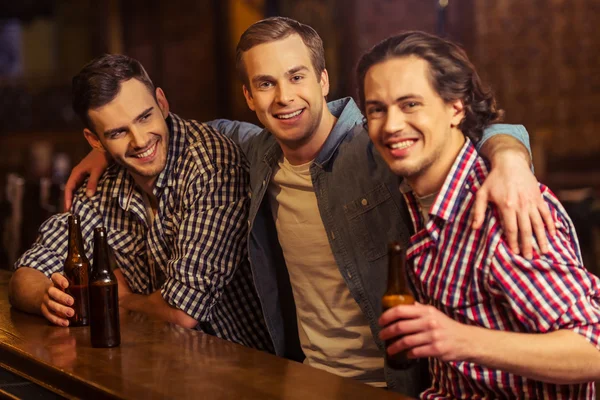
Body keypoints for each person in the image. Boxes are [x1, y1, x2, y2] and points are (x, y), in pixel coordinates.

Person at [63, 17, 553, 395]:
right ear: (249, 97)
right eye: (265, 84)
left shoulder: (377, 145)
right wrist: (105, 149)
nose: (283, 98)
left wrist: (509, 158)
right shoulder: (250, 149)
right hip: (303, 379)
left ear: (322, 80)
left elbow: (475, 129)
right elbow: (164, 135)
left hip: (395, 383)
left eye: (296, 77)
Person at [358, 31, 600, 398]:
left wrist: (459, 339)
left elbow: (593, 348)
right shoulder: (418, 196)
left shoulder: (504, 208)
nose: (391, 125)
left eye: (410, 105)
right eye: (377, 109)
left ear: (456, 107)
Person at [8, 54, 272, 352]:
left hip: (241, 365)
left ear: (162, 103)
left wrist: (118, 298)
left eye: (144, 117)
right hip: (154, 360)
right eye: (118, 132)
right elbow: (24, 277)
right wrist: (49, 296)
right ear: (95, 141)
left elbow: (181, 313)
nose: (140, 140)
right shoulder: (104, 180)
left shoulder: (211, 165)